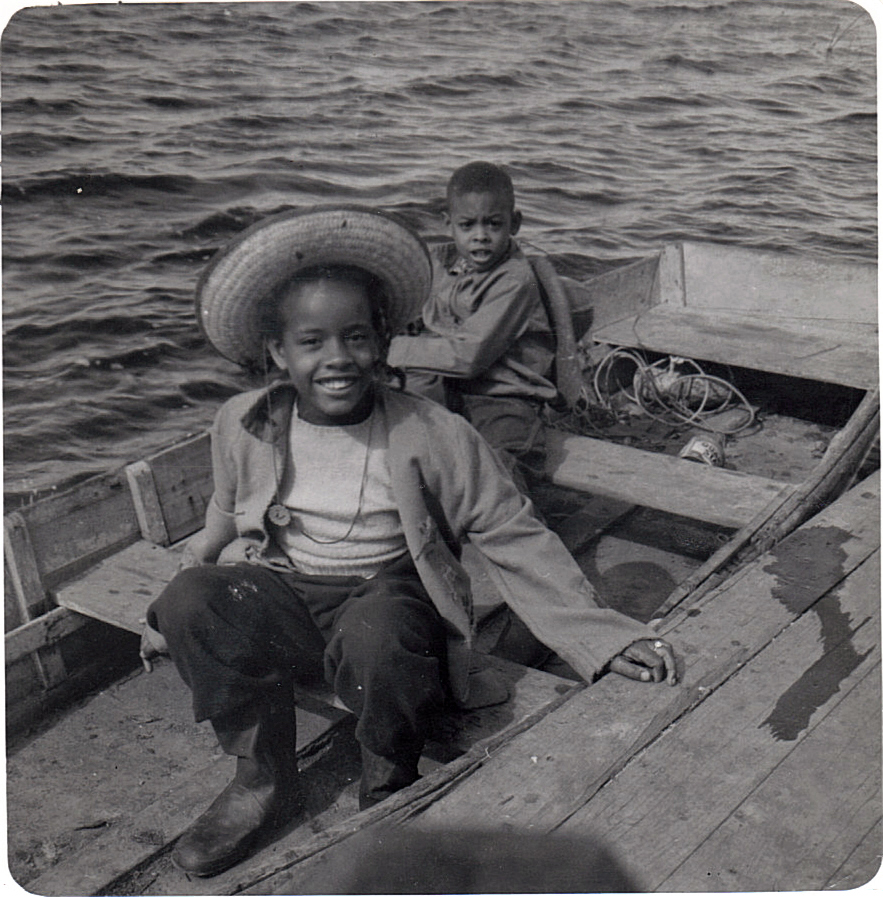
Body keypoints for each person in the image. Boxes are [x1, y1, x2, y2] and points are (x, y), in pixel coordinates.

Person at [140, 205, 677, 878]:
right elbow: (225, 514)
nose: (337, 359)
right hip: (284, 590)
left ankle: (386, 783)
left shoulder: (432, 431)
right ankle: (260, 775)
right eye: (311, 342)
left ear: (384, 341)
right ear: (278, 353)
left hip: (381, 596)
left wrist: (600, 637)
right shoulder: (242, 422)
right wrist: (180, 595)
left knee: (383, 630)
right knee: (190, 598)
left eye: (357, 337)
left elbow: (508, 530)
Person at [387, 161, 554, 490]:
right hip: (452, 392)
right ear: (449, 224)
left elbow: (467, 355)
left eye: (493, 224)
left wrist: (388, 349)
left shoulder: (514, 280)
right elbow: (419, 304)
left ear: (514, 224)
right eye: (467, 225)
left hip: (504, 400)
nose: (480, 237)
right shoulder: (444, 263)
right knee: (414, 453)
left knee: (502, 473)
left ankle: (515, 530)